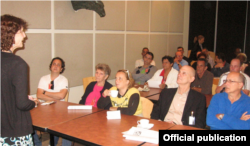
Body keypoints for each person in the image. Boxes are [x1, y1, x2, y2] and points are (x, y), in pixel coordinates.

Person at [0, 14, 38, 145]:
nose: (24, 36)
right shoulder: (18, 64)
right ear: (10, 35)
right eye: (21, 31)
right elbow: (22, 104)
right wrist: (33, 102)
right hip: (15, 132)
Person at [36, 57, 70, 146]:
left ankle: (52, 143)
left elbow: (62, 96)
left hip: (59, 110)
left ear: (61, 69)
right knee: (30, 122)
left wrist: (45, 92)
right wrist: (55, 99)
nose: (56, 66)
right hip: (44, 108)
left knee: (65, 126)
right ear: (50, 66)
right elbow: (39, 95)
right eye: (54, 64)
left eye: (59, 65)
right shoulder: (43, 78)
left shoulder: (64, 80)